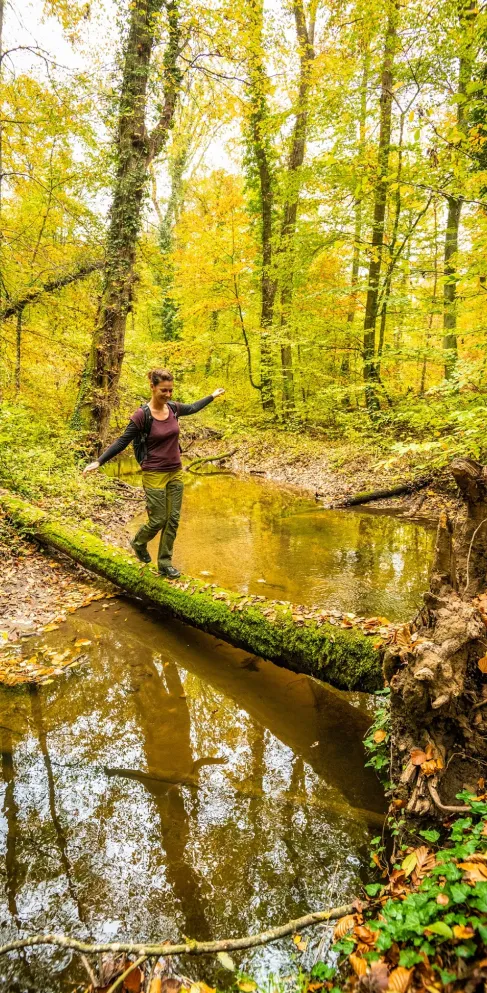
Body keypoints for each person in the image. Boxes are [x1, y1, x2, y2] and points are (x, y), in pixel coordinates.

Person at [83, 369, 225, 577]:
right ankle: (138, 542)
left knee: (173, 519)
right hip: (153, 473)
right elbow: (123, 441)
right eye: (163, 390)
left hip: (175, 472)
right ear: (152, 387)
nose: (168, 395)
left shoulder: (174, 408)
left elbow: (193, 407)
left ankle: (165, 563)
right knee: (158, 519)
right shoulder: (142, 416)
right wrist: (99, 461)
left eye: (170, 390)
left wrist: (212, 396)